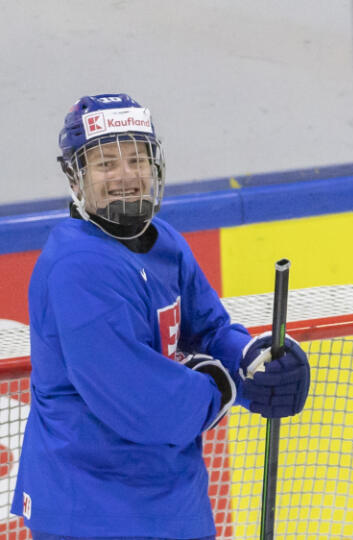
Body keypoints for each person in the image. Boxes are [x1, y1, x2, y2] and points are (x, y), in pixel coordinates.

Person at [11, 93, 311, 539]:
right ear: (76, 177)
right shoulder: (77, 267)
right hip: (91, 511)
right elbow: (141, 402)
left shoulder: (163, 241)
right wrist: (228, 386)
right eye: (105, 164)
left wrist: (254, 360)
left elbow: (208, 329)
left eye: (137, 159)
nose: (126, 175)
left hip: (170, 501)